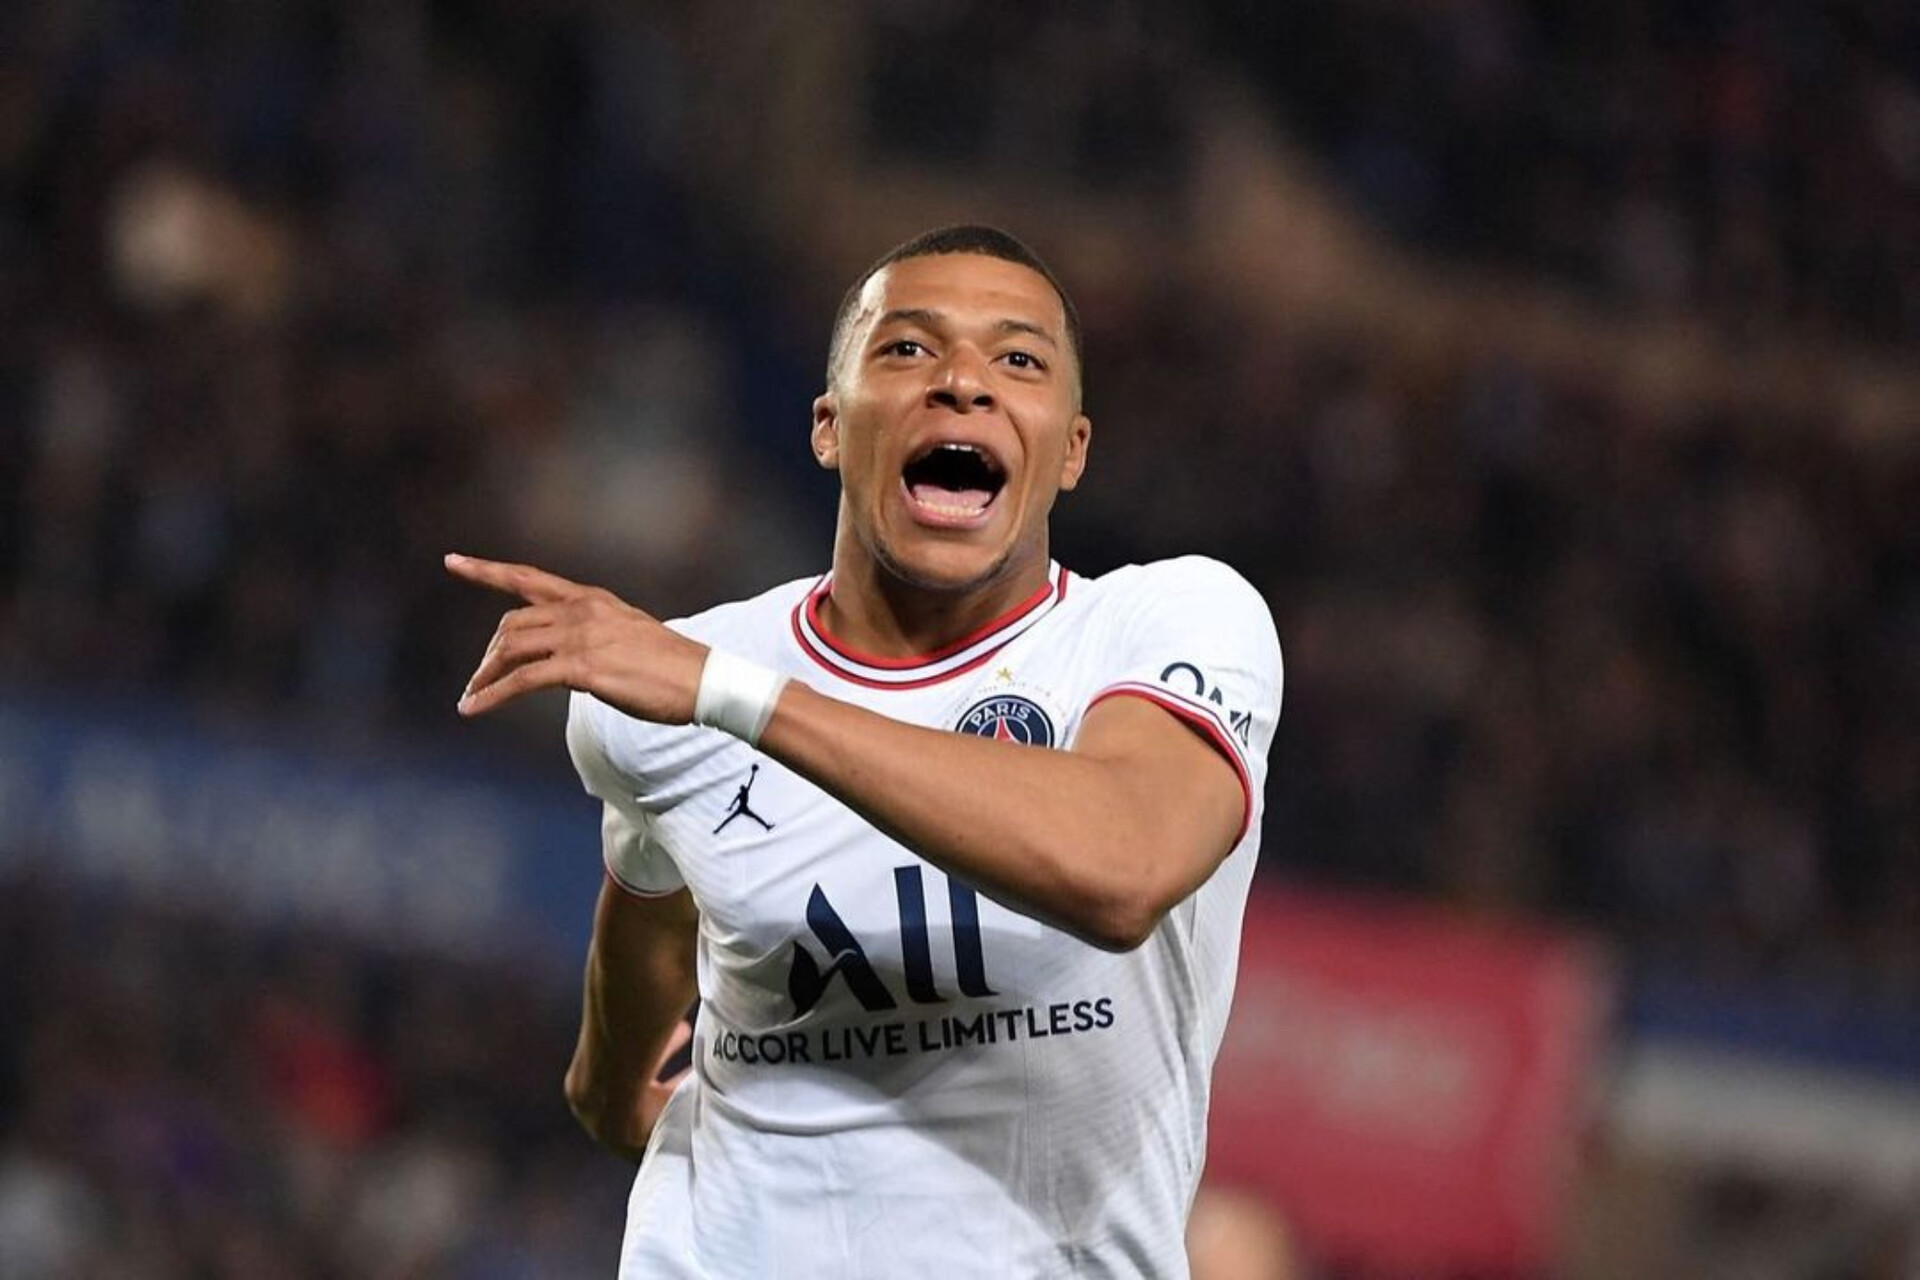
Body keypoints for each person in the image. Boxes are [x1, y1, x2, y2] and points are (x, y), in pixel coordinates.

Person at [447, 225, 1283, 1278]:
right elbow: (650, 900)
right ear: (829, 427)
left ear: (1071, 450)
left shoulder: (1172, 624)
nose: (963, 382)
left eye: (1018, 359)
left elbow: (1122, 866)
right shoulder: (662, 695)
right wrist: (613, 1090)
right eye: (908, 348)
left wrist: (733, 698)